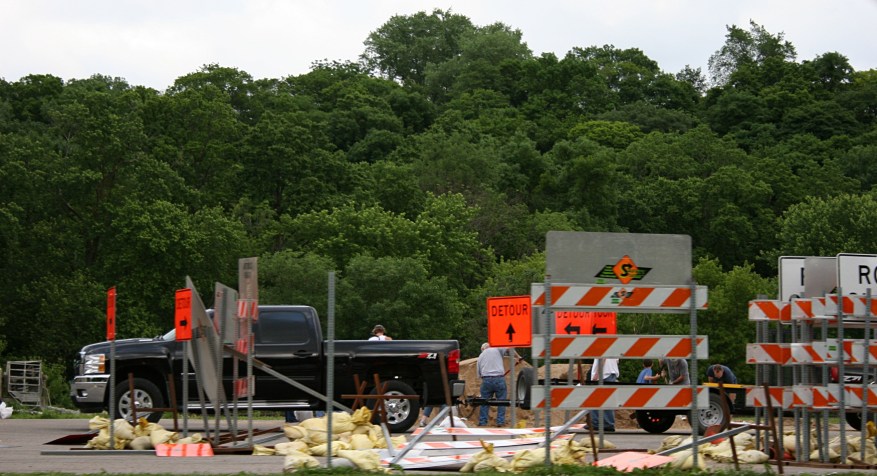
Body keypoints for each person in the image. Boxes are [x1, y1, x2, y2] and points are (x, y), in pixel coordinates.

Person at [477, 342, 520, 427]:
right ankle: (500, 422)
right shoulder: (497, 348)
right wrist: (518, 357)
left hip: (486, 379)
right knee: (501, 401)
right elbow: (509, 348)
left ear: (483, 349)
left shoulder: (480, 357)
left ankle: (483, 422)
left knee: (484, 402)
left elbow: (479, 375)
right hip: (499, 378)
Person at [588, 358, 619, 431]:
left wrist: (597, 373)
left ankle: (599, 423)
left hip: (604, 374)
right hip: (611, 373)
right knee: (606, 400)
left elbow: (603, 358)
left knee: (595, 399)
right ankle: (604, 423)